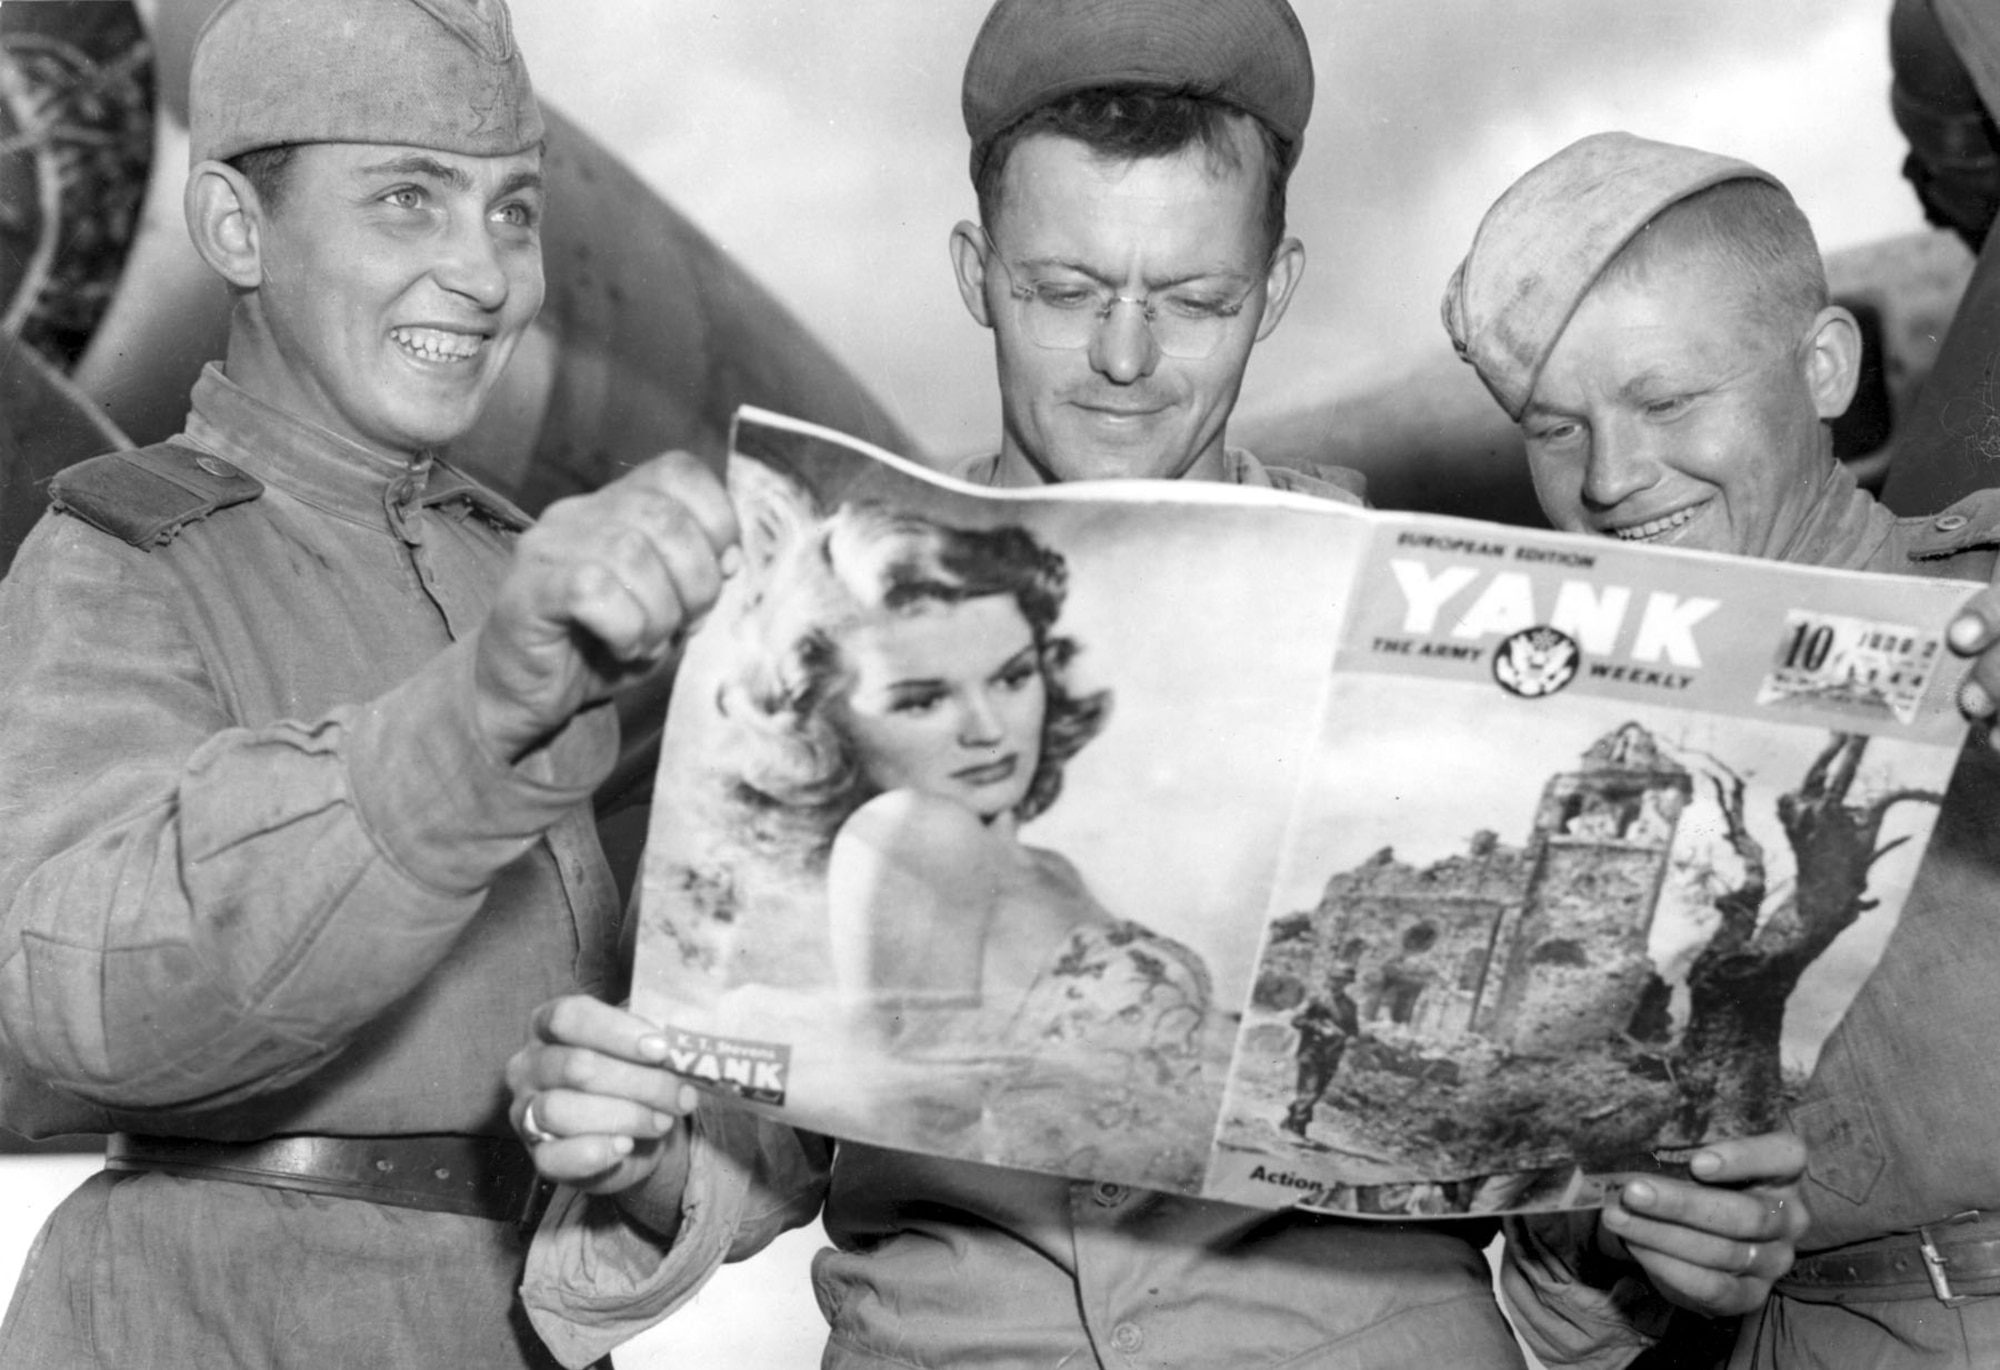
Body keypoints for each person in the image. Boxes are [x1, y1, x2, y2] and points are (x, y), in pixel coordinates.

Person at [511, 8, 1808, 1369]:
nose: (1126, 361)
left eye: (1194, 301)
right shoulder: (812, 629)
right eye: (1064, 293)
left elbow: (1547, 1212)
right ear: (974, 270)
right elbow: (745, 1143)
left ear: (1278, 285)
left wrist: (1648, 1226)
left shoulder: (1433, 644)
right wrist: (636, 1150)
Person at [0, 1, 748, 1366]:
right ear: (234, 228)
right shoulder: (119, 555)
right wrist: (476, 721)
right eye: (410, 198)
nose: (490, 275)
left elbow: (663, 1060)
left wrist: (647, 1159)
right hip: (207, 1324)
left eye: (514, 211)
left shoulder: (507, 565)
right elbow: (83, 992)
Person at [1443, 129, 2000, 1367]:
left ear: (1822, 366)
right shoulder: (1565, 790)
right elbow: (1555, 1325)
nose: (1609, 477)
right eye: (1552, 427)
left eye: (1664, 400)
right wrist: (1623, 1243)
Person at [706, 486, 1213, 1186]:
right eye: (922, 699)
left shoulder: (1046, 865)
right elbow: (929, 1120)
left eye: (1012, 677)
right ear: (831, 721)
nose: (987, 728)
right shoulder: (917, 833)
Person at [1284, 967, 1362, 1140]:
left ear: (1347, 983)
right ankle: (1298, 1128)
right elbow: (1296, 1020)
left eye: (1343, 980)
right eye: (1336, 979)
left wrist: (1351, 1038)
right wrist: (1319, 1028)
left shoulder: (1350, 1006)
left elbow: (1353, 1030)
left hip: (1333, 1054)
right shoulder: (1316, 999)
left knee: (1317, 1091)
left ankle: (1291, 1116)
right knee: (1309, 1089)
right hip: (1311, 1050)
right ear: (1329, 979)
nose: (1338, 983)